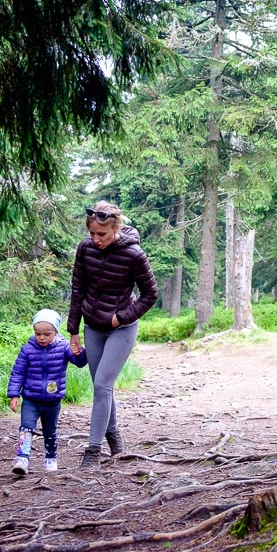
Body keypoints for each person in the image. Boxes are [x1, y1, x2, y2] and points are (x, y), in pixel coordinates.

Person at [67, 201, 158, 468]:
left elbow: (150, 295)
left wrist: (123, 317)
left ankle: (93, 451)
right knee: (101, 388)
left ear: (116, 227)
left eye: (101, 235)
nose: (96, 240)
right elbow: (77, 290)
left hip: (121, 328)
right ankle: (115, 438)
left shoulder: (134, 255)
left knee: (101, 386)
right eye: (92, 234)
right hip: (93, 325)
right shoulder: (85, 249)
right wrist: (73, 330)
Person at [7, 309, 87, 475]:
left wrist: (80, 352)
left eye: (47, 334)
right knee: (26, 427)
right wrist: (14, 394)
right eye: (38, 334)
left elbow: (79, 362)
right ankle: (22, 458)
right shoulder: (27, 349)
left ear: (56, 331)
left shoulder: (64, 347)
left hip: (52, 400)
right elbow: (18, 372)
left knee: (50, 431)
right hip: (31, 398)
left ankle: (51, 459)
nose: (42, 338)